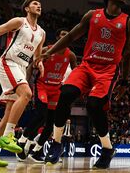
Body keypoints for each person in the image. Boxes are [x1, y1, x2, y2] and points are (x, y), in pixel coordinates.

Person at [38, 0, 130, 169]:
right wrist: (49, 52)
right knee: (66, 93)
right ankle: (57, 143)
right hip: (87, 65)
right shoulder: (92, 15)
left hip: (108, 69)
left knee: (93, 105)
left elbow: (129, 53)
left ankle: (107, 149)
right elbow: (70, 36)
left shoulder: (129, 22)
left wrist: (124, 80)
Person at [0, 0, 46, 167]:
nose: (38, 5)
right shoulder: (19, 22)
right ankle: (8, 135)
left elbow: (37, 56)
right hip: (8, 63)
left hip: (22, 68)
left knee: (9, 112)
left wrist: (40, 64)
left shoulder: (42, 33)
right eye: (34, 3)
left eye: (39, 4)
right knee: (27, 94)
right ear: (26, 8)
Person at [16, 28, 77, 163]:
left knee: (50, 124)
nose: (65, 36)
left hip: (56, 89)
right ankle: (22, 139)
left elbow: (76, 71)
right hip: (42, 85)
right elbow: (32, 65)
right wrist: (26, 82)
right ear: (57, 37)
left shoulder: (71, 55)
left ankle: (36, 151)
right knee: (41, 114)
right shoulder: (46, 50)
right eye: (62, 33)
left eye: (67, 35)